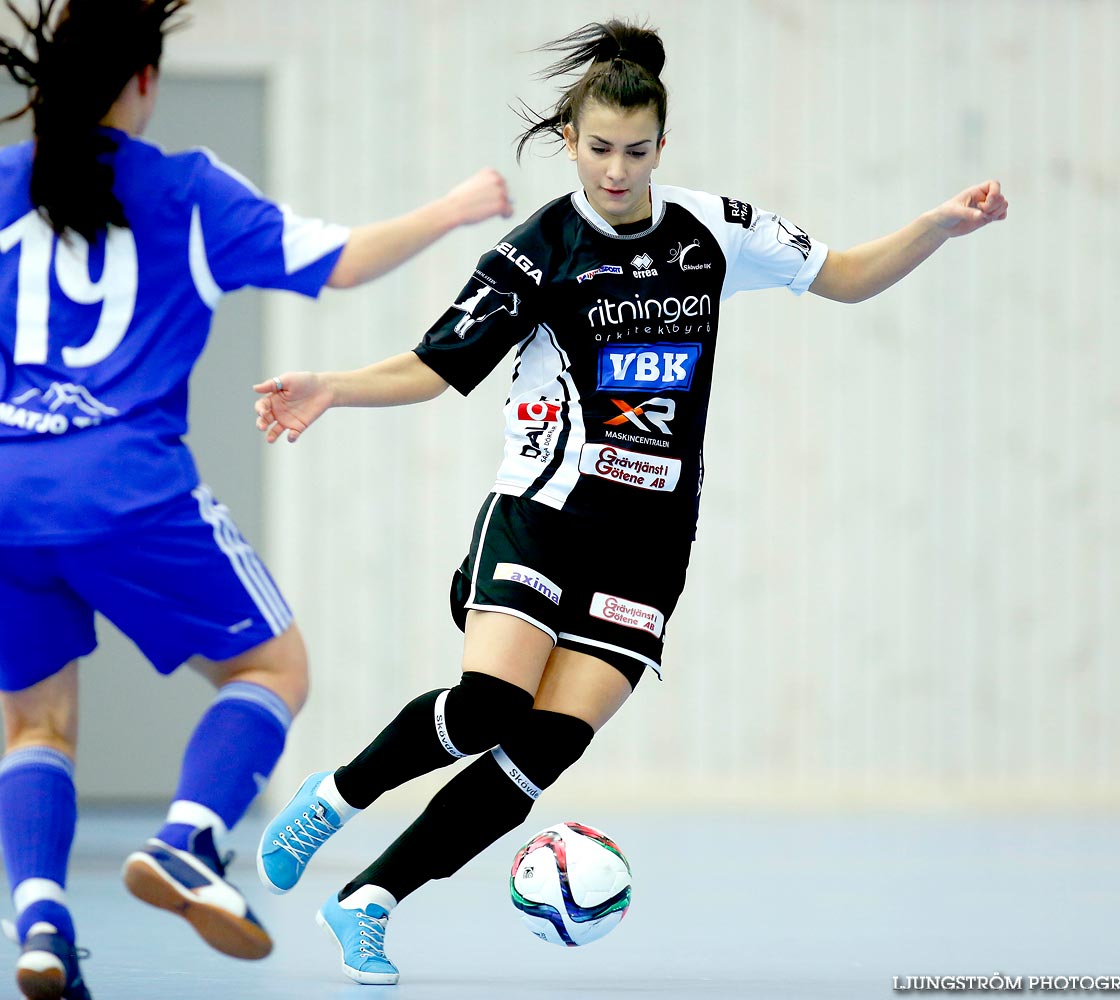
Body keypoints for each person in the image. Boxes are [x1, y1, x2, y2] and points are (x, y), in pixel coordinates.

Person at [252, 18, 1008, 986]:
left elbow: (847, 275)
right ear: (569, 140)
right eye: (598, 148)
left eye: (635, 150)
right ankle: (336, 796)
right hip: (542, 512)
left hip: (648, 545)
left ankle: (369, 898)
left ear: (662, 144)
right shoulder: (540, 252)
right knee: (488, 702)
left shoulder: (712, 233)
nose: (615, 170)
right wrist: (330, 386)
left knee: (542, 747)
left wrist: (937, 226)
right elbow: (439, 365)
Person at [0, 1, 513, 997]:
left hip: (4, 492)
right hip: (125, 483)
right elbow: (343, 258)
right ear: (144, 81)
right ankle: (191, 839)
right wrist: (453, 208)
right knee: (273, 664)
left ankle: (39, 922)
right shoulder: (185, 188)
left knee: (33, 725)